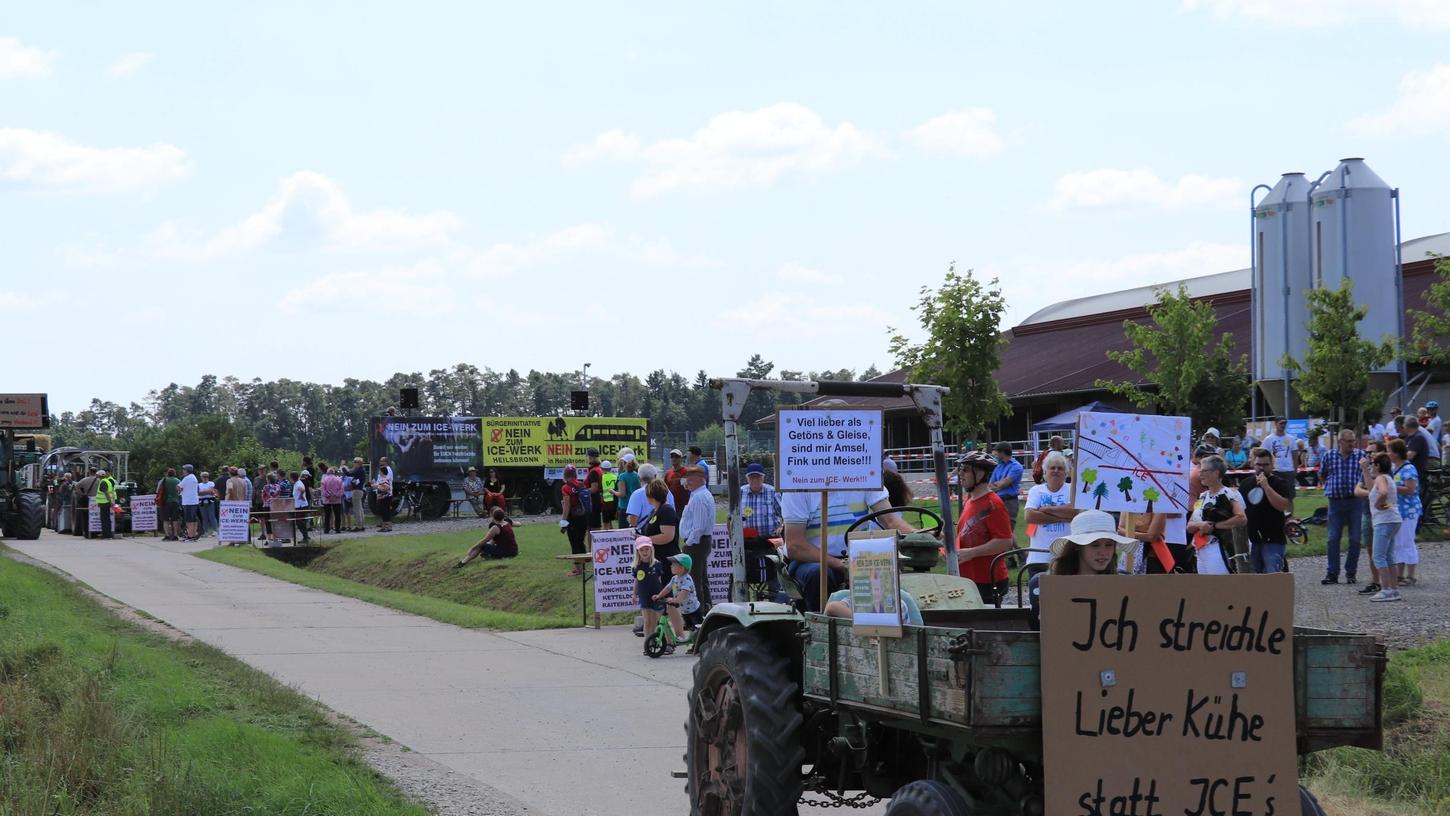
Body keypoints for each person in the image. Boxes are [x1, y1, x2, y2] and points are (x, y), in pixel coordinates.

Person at [782, 481, 914, 613]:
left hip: (857, 557)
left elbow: (891, 521)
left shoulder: (864, 476)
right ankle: (820, 624)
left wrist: (920, 536)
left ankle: (887, 622)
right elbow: (795, 546)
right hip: (811, 561)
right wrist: (841, 565)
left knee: (887, 568)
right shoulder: (798, 486)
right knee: (819, 574)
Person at [1026, 510, 1136, 629]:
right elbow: (1037, 631)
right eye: (1094, 545)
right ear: (1077, 547)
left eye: (1109, 544)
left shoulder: (1125, 584)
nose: (1103, 552)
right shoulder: (1044, 585)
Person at [953, 451, 1016, 605]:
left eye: (966, 469)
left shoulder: (993, 504)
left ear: (980, 474)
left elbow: (1005, 542)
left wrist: (971, 553)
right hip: (969, 577)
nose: (960, 474)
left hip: (987, 580)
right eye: (961, 469)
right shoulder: (970, 500)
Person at [1186, 455, 1247, 575]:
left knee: (1219, 587)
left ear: (1216, 473)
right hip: (1200, 548)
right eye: (1200, 471)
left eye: (1204, 471)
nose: (1200, 474)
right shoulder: (1203, 496)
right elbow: (1189, 526)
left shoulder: (1228, 493)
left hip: (1218, 547)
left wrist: (1216, 526)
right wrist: (1200, 524)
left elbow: (1242, 518)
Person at [1320, 429, 1366, 585]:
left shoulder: (1361, 456)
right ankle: (1332, 573)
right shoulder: (1329, 455)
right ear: (1340, 442)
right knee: (1333, 539)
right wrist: (1330, 487)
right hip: (1335, 501)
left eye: (1353, 441)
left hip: (1355, 502)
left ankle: (1351, 573)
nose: (1352, 444)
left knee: (1355, 539)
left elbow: (1367, 476)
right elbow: (1323, 474)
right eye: (1349, 441)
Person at [1355, 453, 1403, 603]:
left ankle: (1386, 590)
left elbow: (1382, 492)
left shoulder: (1382, 478)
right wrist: (1364, 468)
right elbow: (1371, 488)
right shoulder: (1387, 478)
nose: (1370, 467)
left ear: (1377, 466)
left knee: (1378, 556)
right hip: (1393, 520)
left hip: (1384, 521)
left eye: (1372, 465)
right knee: (1389, 556)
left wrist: (1378, 504)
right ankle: (1394, 590)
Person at [1022, 452, 1078, 578]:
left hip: (1066, 556)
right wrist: (1064, 517)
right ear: (1045, 472)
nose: (1056, 471)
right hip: (1038, 557)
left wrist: (1046, 509)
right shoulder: (1036, 491)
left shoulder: (1072, 490)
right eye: (1052, 468)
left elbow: (1076, 512)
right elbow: (1030, 516)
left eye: (1060, 468)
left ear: (1066, 473)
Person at [1238, 447, 1294, 574]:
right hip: (1252, 540)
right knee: (1253, 577)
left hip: (1273, 539)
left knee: (1272, 575)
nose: (1262, 468)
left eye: (1265, 465)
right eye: (1258, 464)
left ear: (1272, 465)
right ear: (1253, 464)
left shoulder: (1280, 483)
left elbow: (1282, 506)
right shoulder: (1246, 483)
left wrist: (1266, 486)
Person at [677, 465, 716, 612]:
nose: (687, 483)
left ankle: (699, 614)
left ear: (701, 480)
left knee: (694, 581)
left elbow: (699, 527)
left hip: (696, 543)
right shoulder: (699, 494)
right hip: (699, 542)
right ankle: (706, 610)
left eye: (691, 480)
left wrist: (688, 543)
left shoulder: (699, 497)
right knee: (701, 579)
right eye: (687, 479)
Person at [1387, 439, 1421, 587]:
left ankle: (1411, 575)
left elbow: (1410, 489)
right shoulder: (1395, 468)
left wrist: (1392, 486)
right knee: (1398, 543)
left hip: (1409, 511)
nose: (1388, 454)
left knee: (1407, 542)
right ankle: (1399, 574)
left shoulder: (1409, 469)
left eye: (1389, 451)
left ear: (1396, 453)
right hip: (1398, 511)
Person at [652, 554, 703, 645]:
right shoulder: (674, 579)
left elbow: (684, 592)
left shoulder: (686, 579)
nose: (671, 566)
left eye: (674, 564)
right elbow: (667, 588)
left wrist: (676, 600)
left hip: (693, 609)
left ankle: (700, 645)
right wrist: (659, 596)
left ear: (682, 568)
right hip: (684, 610)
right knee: (690, 627)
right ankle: (694, 643)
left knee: (698, 629)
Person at [632, 538, 669, 653]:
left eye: (647, 549)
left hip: (656, 595)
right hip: (644, 596)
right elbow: (636, 581)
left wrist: (662, 594)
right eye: (642, 550)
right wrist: (634, 594)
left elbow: (659, 580)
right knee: (647, 621)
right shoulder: (636, 566)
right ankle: (648, 643)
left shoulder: (657, 564)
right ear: (638, 552)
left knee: (659, 620)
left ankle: (668, 643)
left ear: (651, 549)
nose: (645, 552)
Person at [638, 478, 682, 564]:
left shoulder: (667, 510)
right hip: (657, 557)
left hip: (666, 558)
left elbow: (667, 536)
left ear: (650, 495)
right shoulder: (655, 510)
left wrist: (645, 539)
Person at [559, 464, 590, 575]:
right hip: (584, 517)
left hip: (573, 518)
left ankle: (578, 570)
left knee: (574, 543)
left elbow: (567, 506)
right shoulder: (581, 484)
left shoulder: (566, 488)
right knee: (581, 541)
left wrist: (563, 521)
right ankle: (583, 566)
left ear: (565, 474)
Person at [986, 442, 1024, 530]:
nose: (995, 456)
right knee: (997, 531)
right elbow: (990, 485)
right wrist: (999, 485)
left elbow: (1004, 483)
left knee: (1008, 530)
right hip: (997, 501)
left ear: (1002, 452)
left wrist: (998, 485)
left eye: (996, 453)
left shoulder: (1016, 466)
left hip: (1010, 502)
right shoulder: (999, 466)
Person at [1261, 419, 1297, 485]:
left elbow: (1295, 455)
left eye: (1284, 423)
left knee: (1289, 493)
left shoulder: (1291, 438)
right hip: (1275, 471)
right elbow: (1263, 454)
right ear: (1275, 424)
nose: (1283, 425)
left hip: (1288, 470)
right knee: (1275, 492)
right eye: (1281, 423)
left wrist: (1295, 469)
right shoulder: (1268, 439)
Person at [612, 458, 641, 529]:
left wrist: (612, 491)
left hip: (625, 507)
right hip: (636, 506)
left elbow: (622, 494)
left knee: (623, 531)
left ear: (624, 464)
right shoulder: (637, 475)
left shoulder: (622, 476)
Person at [178, 464, 201, 541]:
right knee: (193, 519)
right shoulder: (194, 477)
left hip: (188, 501)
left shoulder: (186, 478)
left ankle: (190, 536)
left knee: (188, 520)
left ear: (187, 470)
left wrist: (179, 490)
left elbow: (178, 487)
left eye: (184, 470)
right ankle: (194, 535)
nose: (183, 471)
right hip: (194, 500)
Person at [157, 468, 181, 541]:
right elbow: (180, 490)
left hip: (165, 502)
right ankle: (175, 536)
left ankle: (167, 535)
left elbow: (158, 490)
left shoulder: (163, 480)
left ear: (168, 473)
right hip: (175, 501)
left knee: (166, 520)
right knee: (175, 520)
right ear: (174, 474)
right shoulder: (178, 481)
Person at [93, 469, 117, 539]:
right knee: (107, 519)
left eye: (97, 475)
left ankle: (106, 535)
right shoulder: (107, 481)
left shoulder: (103, 482)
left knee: (104, 520)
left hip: (104, 503)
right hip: (106, 503)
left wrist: (111, 501)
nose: (96, 476)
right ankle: (108, 535)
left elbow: (106, 493)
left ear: (100, 476)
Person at [320, 467, 345, 533]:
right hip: (337, 500)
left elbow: (323, 490)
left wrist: (328, 496)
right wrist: (336, 495)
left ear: (327, 472)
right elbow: (342, 489)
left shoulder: (324, 480)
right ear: (334, 472)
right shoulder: (339, 479)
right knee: (337, 515)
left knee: (327, 515)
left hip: (327, 500)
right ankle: (337, 529)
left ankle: (327, 529)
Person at [290, 471, 312, 543]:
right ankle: (306, 536)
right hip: (300, 505)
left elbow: (302, 490)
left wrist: (301, 496)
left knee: (300, 523)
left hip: (300, 506)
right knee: (301, 522)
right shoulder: (298, 483)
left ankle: (305, 537)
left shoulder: (298, 484)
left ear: (292, 478)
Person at [372, 465, 395, 533]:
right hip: (382, 498)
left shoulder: (384, 479)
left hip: (385, 498)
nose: (379, 472)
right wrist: (374, 485)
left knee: (385, 512)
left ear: (382, 472)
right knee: (384, 512)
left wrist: (377, 487)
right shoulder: (382, 479)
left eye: (380, 471)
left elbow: (386, 488)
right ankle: (385, 527)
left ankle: (387, 527)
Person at [348, 458, 368, 532]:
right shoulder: (361, 470)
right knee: (360, 509)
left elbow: (350, 474)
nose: (353, 463)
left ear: (358, 463)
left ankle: (358, 526)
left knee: (356, 509)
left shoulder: (358, 470)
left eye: (354, 462)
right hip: (359, 490)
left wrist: (344, 470)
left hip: (356, 491)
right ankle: (362, 525)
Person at [198, 471, 219, 536]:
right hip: (201, 502)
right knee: (204, 517)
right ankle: (205, 531)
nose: (205, 478)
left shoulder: (211, 483)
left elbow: (212, 492)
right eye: (204, 476)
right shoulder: (199, 484)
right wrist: (207, 491)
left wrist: (203, 492)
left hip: (210, 502)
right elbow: (198, 493)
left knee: (212, 516)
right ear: (201, 477)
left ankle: (215, 530)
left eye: (206, 476)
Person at [600, 460, 619, 529]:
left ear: (601, 469)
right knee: (610, 523)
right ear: (610, 468)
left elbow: (600, 491)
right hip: (615, 502)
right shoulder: (615, 477)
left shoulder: (601, 478)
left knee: (606, 524)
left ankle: (608, 538)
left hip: (605, 503)